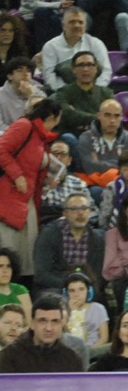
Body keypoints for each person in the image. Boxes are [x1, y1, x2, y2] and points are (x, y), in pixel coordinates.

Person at [0, 98, 61, 277]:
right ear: (51, 116)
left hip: (27, 202)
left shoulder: (42, 139)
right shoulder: (24, 126)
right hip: (8, 197)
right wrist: (17, 174)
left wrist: (47, 183)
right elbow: (1, 149)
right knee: (8, 252)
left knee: (26, 258)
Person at [0, 294, 83, 373]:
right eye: (42, 321)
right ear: (32, 323)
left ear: (61, 324)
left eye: (54, 321)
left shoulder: (71, 359)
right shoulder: (9, 356)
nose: (48, 328)